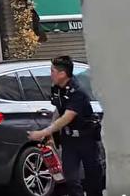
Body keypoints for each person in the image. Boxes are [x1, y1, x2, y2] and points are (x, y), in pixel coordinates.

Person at [28, 55, 104, 196]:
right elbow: (59, 110)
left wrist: (43, 132)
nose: (50, 74)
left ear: (62, 74)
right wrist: (50, 135)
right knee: (70, 178)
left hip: (86, 138)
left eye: (52, 71)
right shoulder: (57, 88)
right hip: (69, 141)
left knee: (93, 178)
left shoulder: (78, 92)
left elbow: (67, 117)